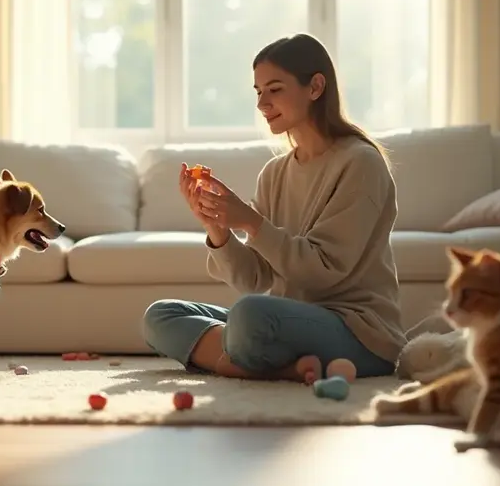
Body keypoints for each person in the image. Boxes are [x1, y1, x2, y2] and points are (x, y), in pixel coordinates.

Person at [141, 33, 406, 383]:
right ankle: (283, 368)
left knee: (250, 317)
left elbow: (323, 271)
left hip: (356, 330)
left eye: (275, 89)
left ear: (315, 87)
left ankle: (243, 360)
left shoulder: (361, 163)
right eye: (258, 91)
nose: (262, 103)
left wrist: (250, 221)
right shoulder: (275, 172)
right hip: (289, 320)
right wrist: (217, 229)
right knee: (160, 316)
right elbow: (255, 279)